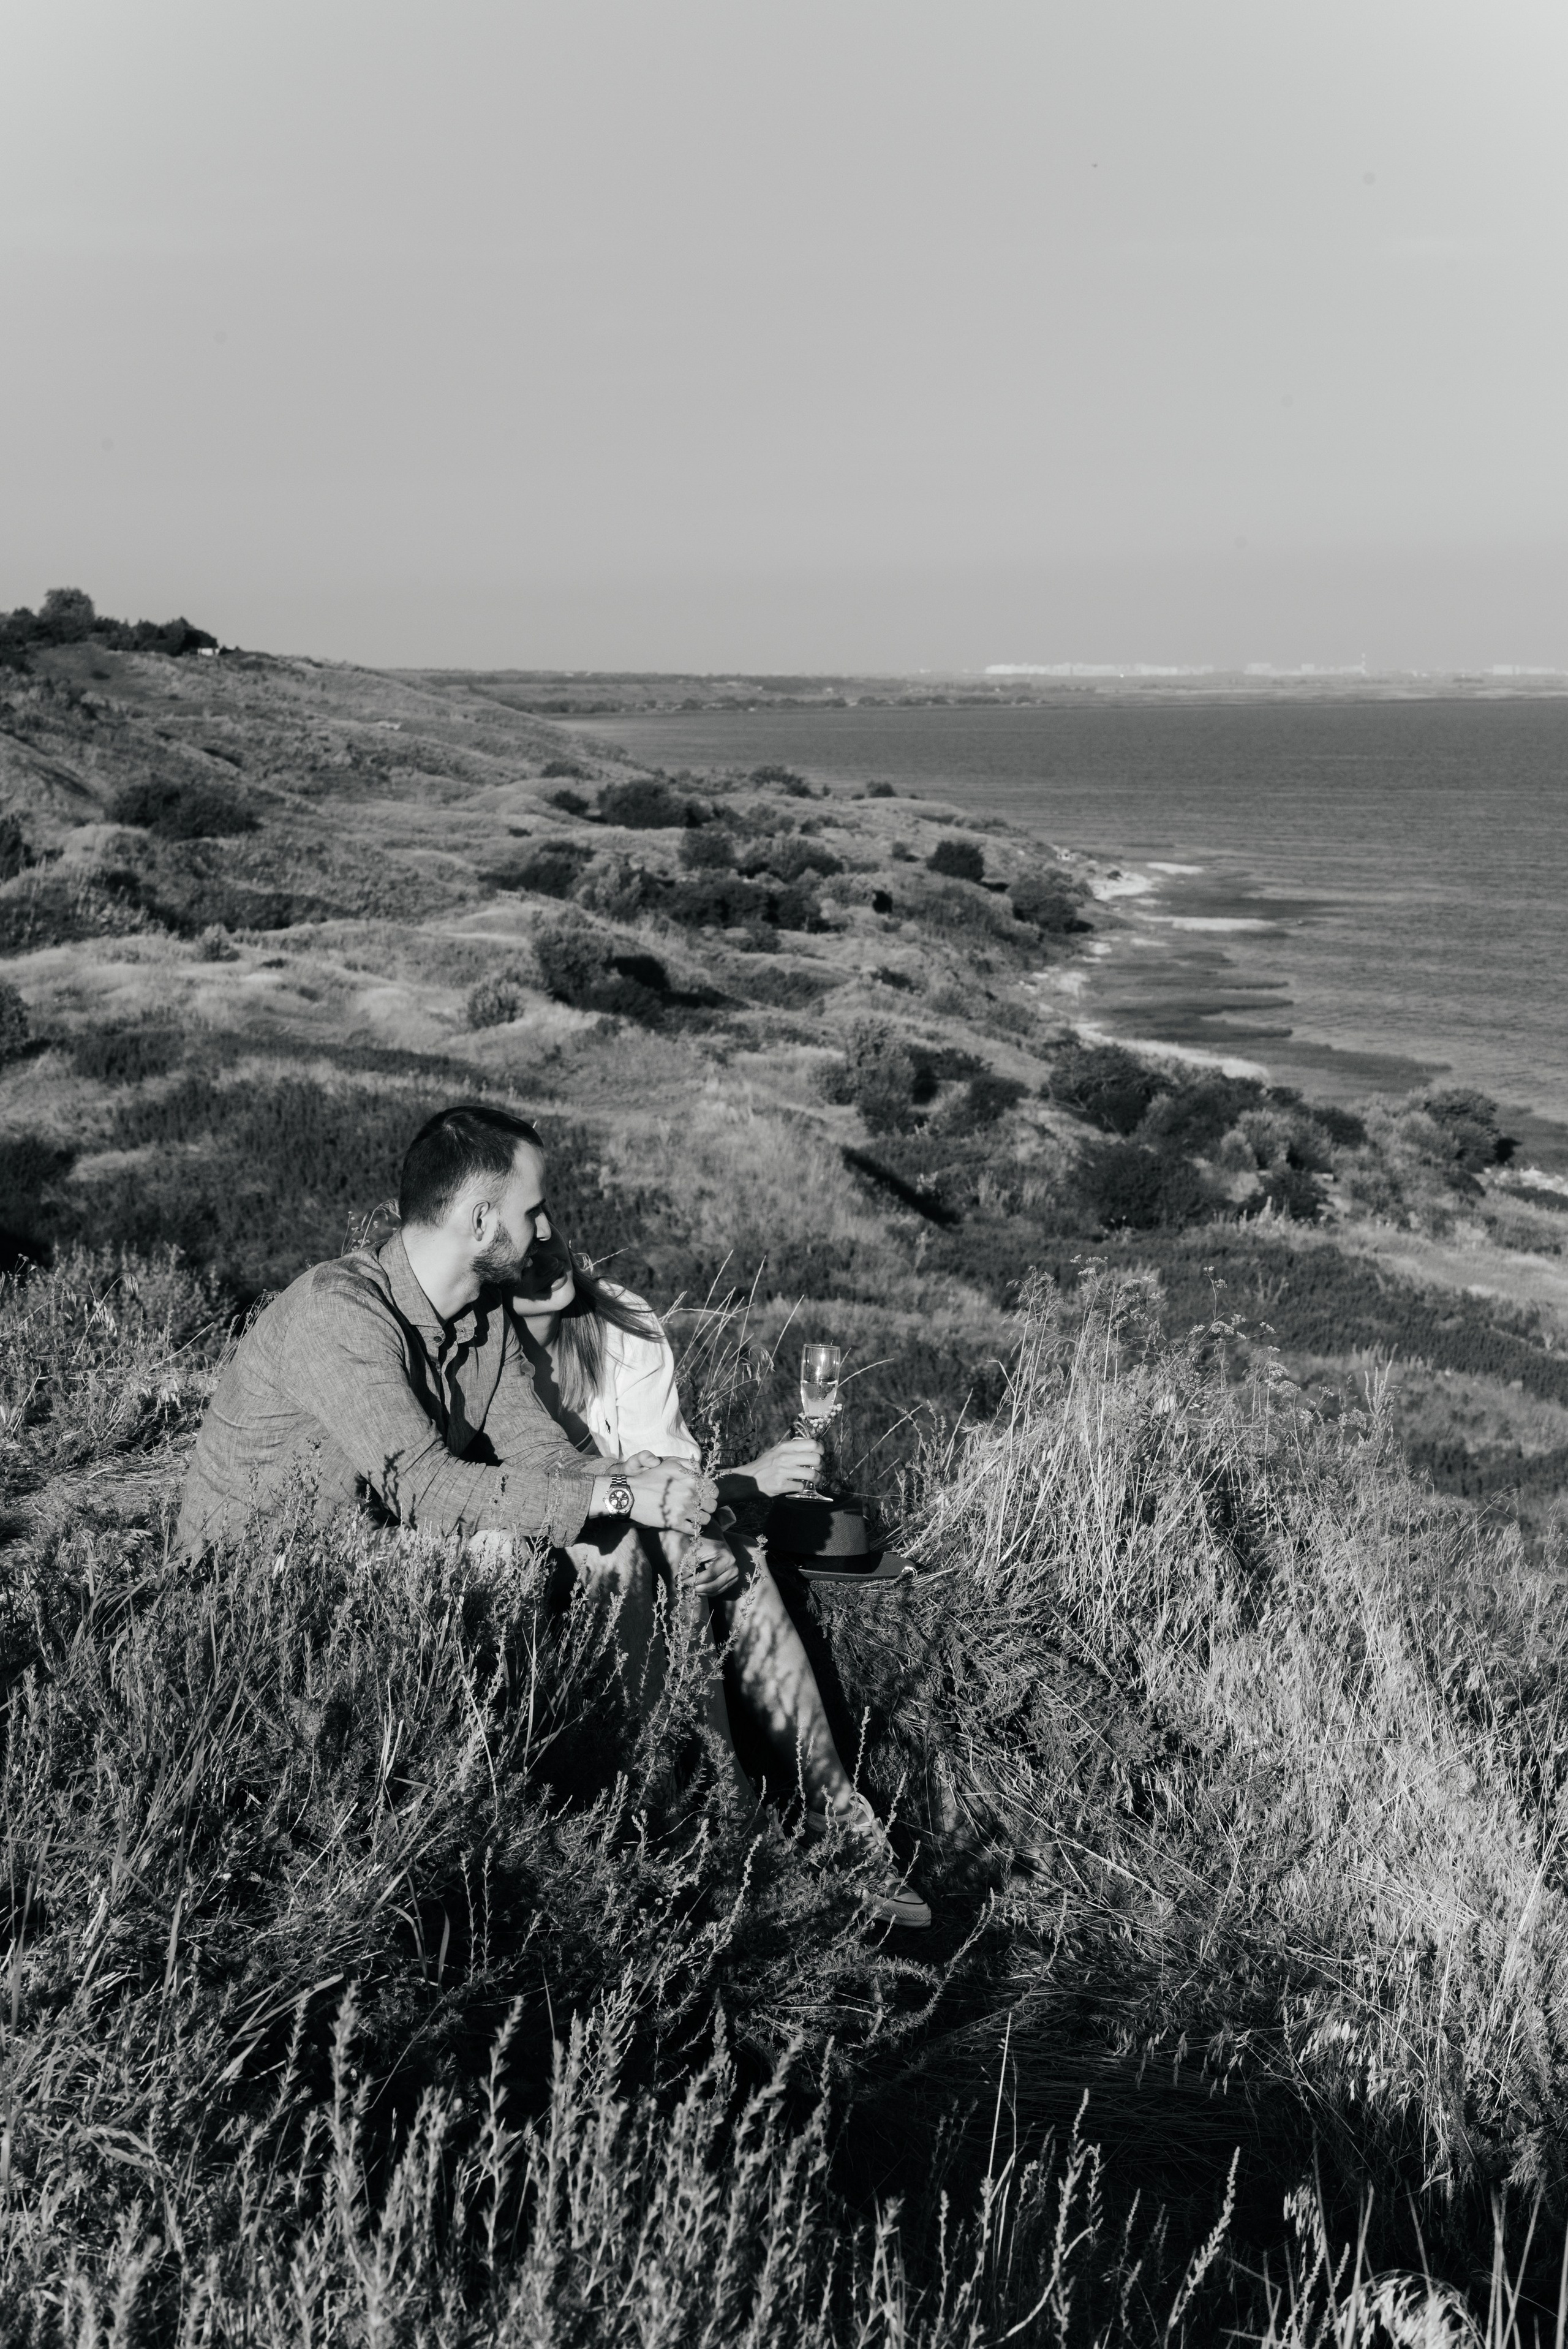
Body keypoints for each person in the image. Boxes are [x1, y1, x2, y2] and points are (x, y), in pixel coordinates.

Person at [176, 1101, 929, 1927]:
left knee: (632, 1537)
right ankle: (533, 1832)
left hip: (385, 1553)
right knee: (519, 1542)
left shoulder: (481, 1315)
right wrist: (613, 1492)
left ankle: (699, 1810)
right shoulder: (341, 1313)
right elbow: (422, 1485)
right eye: (532, 1211)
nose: (544, 1233)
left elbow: (543, 1456)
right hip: (265, 1584)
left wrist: (641, 1480)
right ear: (479, 1217)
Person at [507, 1213, 930, 1928]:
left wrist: (713, 1528)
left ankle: (833, 1808)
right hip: (547, 1549)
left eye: (551, 1226)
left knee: (737, 1561)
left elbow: (673, 1476)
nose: (546, 1248)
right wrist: (737, 1490)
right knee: (648, 1553)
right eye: (524, 1234)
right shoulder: (482, 1349)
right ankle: (709, 1816)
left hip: (644, 1526)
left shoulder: (621, 1324)